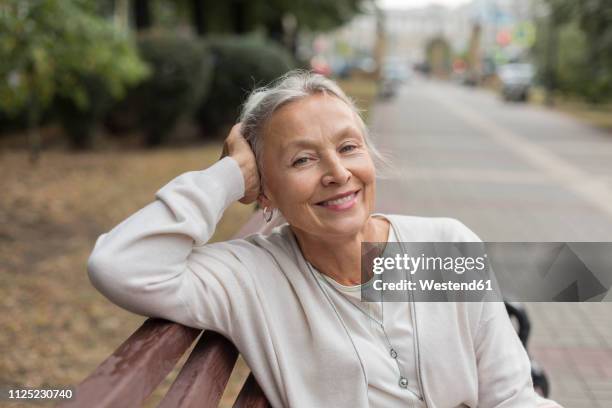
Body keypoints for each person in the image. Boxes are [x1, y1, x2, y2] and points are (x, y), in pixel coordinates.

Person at [88, 70, 561, 407]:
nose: (338, 174)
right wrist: (229, 175)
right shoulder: (253, 277)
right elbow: (121, 265)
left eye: (349, 147)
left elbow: (512, 397)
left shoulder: (443, 244)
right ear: (265, 191)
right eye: (302, 161)